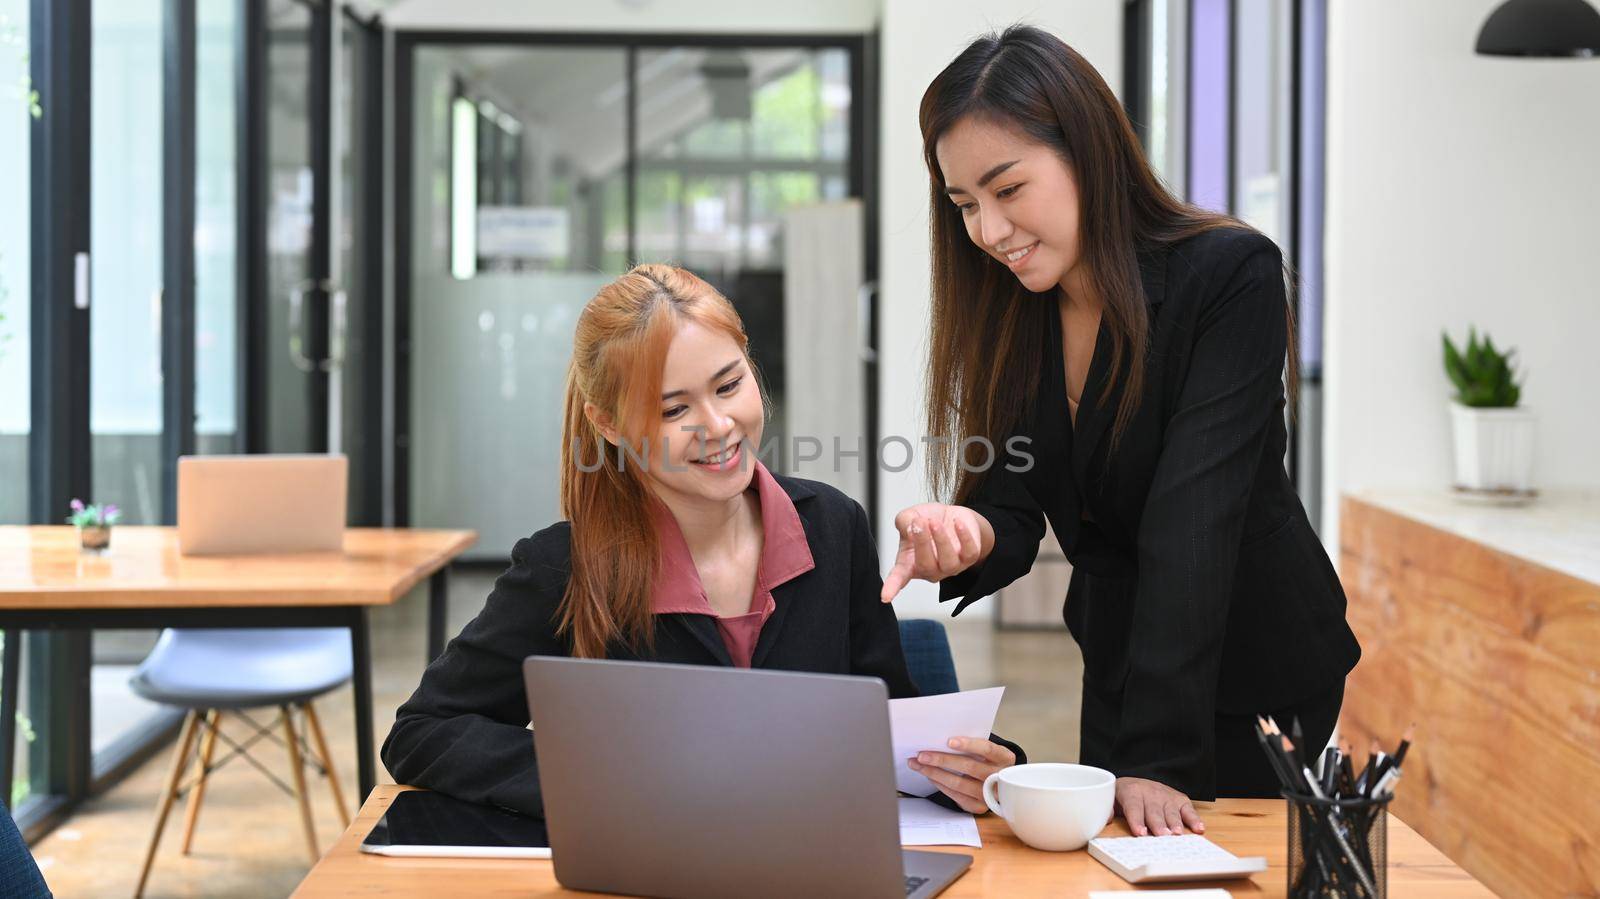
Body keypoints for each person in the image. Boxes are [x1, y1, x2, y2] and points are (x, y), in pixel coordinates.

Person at [878, 25, 1360, 837]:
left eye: (1008, 189)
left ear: (1087, 154)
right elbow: (1014, 501)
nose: (989, 231)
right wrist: (968, 529)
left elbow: (1193, 516)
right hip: (1122, 655)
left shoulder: (1228, 275)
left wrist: (1157, 756)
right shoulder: (1015, 312)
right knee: (1119, 869)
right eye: (965, 205)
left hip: (1258, 658)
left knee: (1228, 873)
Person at [383, 264, 1021, 817]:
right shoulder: (564, 567)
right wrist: (604, 778)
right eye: (672, 410)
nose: (717, 425)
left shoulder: (833, 526)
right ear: (607, 424)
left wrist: (981, 769)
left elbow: (892, 728)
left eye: (729, 385)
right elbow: (421, 732)